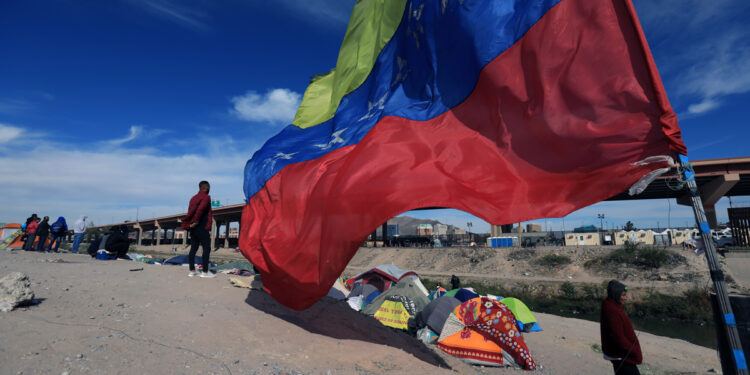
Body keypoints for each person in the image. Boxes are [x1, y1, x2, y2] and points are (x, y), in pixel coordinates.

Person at [601, 280, 642, 375]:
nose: (625, 298)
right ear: (615, 294)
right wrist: (633, 351)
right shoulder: (612, 310)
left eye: (625, 295)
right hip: (620, 354)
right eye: (623, 295)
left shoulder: (613, 305)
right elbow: (618, 337)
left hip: (620, 354)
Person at [181, 180, 214, 278]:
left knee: (193, 248)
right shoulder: (206, 197)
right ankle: (205, 272)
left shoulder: (193, 198)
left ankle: (192, 270)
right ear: (206, 187)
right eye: (209, 187)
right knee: (206, 248)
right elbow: (201, 210)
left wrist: (191, 224)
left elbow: (190, 211)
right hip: (201, 226)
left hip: (193, 227)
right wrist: (196, 221)